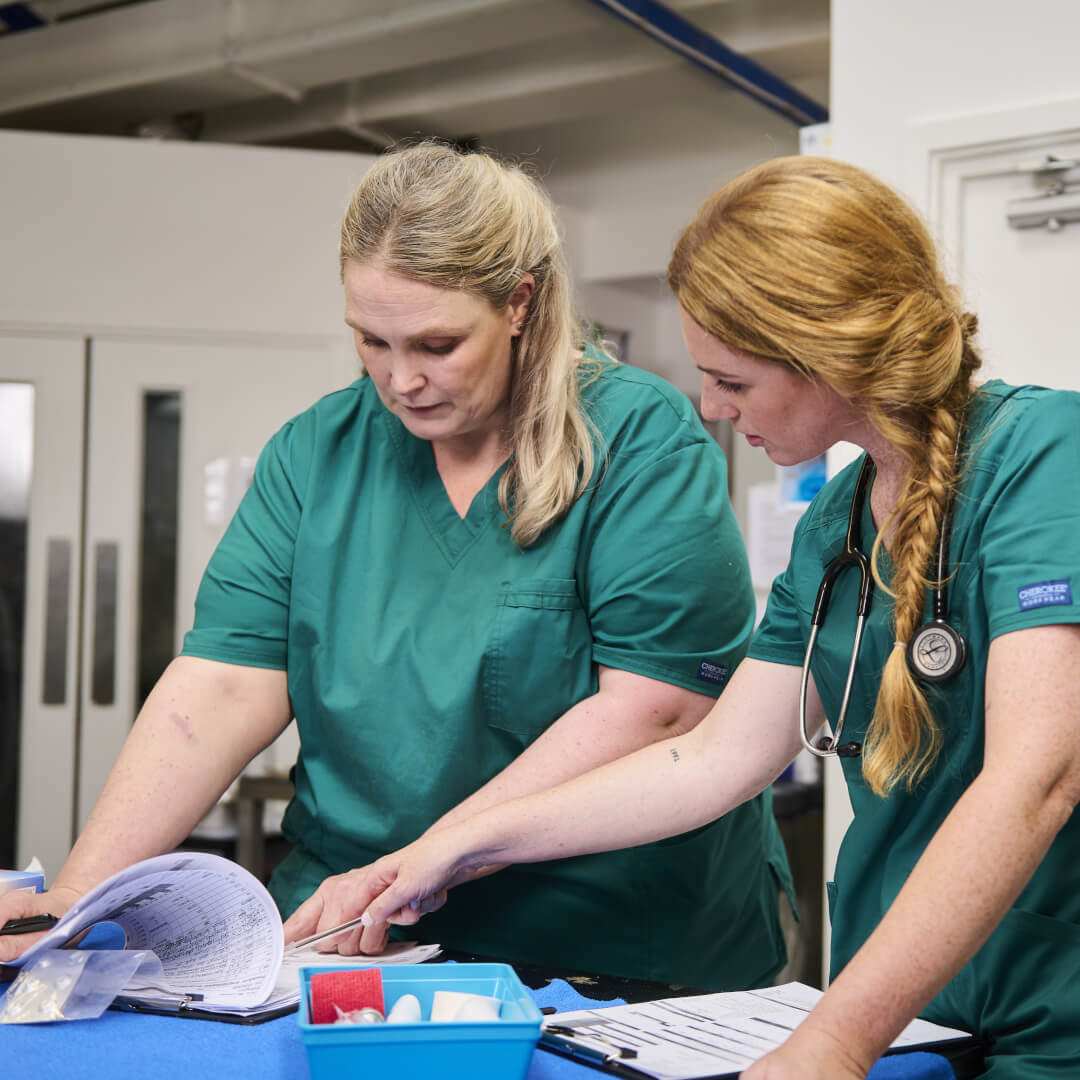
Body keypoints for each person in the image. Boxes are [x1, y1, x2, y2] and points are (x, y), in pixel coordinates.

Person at [298, 155, 1080, 1079]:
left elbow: (1038, 777)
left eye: (733, 382)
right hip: (916, 1019)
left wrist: (832, 1043)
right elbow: (711, 761)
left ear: (830, 348)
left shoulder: (1043, 456)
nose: (709, 406)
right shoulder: (835, 526)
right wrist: (453, 848)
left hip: (1045, 1016)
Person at [0, 141, 795, 991]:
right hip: (350, 934)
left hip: (606, 943)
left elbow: (656, 708)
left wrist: (423, 862)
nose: (400, 379)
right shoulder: (318, 453)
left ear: (520, 302)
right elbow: (224, 685)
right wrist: (80, 897)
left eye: (437, 343)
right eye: (370, 341)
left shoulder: (637, 440)